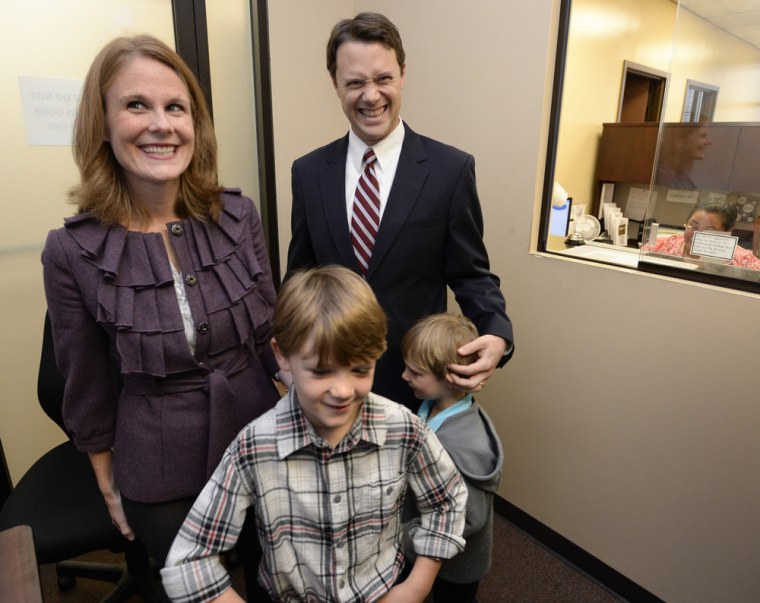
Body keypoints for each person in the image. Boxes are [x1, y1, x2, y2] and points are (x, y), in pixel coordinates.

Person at [41, 34, 281, 574]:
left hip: (258, 433)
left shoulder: (238, 217)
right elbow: (85, 377)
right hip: (158, 457)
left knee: (282, 577)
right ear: (101, 124)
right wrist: (105, 475)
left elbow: (269, 334)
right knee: (198, 587)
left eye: (176, 107)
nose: (161, 124)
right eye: (135, 105)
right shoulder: (71, 250)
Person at [161, 265, 468, 603]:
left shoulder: (403, 428)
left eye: (361, 369)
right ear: (283, 355)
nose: (342, 391)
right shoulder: (254, 446)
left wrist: (416, 587)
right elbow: (188, 561)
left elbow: (448, 500)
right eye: (321, 371)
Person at [286, 12, 514, 409]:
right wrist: (287, 362)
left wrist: (497, 332)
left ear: (403, 73)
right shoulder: (308, 173)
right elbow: (300, 277)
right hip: (330, 384)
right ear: (335, 84)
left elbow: (471, 275)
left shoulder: (450, 170)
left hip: (413, 386)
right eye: (355, 82)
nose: (370, 96)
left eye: (383, 79)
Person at [401, 312, 503, 603]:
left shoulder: (462, 447)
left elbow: (467, 519)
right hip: (423, 538)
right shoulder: (431, 404)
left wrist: (404, 534)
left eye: (414, 372)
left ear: (451, 378)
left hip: (457, 565)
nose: (404, 377)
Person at [643, 201, 760, 269]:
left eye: (707, 230)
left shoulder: (745, 263)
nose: (696, 235)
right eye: (693, 226)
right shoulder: (659, 247)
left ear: (727, 232)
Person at [655, 124, 712, 189]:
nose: (709, 142)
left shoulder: (682, 176)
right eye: (703, 136)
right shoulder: (664, 177)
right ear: (680, 140)